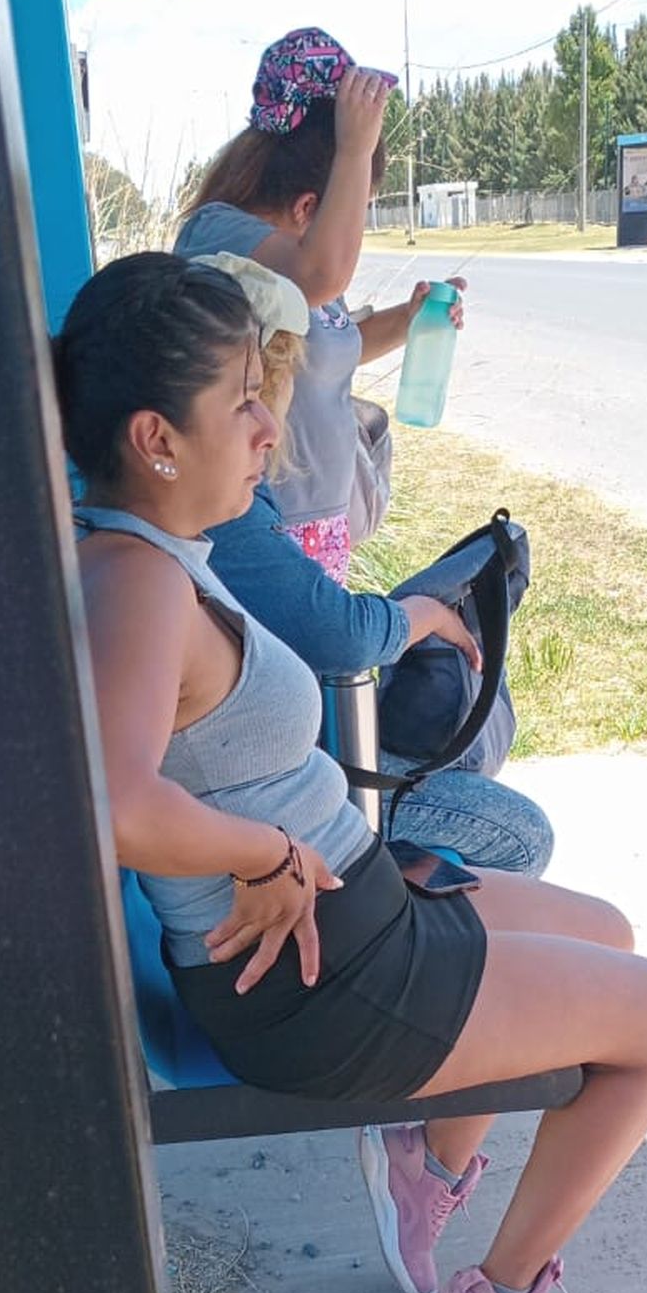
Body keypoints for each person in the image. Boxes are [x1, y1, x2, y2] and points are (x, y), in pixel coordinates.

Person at [53, 254, 647, 1293]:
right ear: (158, 439)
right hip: (323, 981)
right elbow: (114, 801)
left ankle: (427, 1166)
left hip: (351, 913)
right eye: (242, 401)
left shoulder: (161, 556)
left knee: (609, 934)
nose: (270, 428)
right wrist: (262, 854)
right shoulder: (140, 583)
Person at [193, 250, 554, 878]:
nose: (272, 431)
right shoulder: (216, 518)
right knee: (521, 835)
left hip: (305, 791)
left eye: (264, 397)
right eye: (248, 400)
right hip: (303, 819)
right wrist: (422, 613)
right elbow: (341, 637)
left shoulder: (195, 520)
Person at [175, 25, 462, 585]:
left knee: (322, 671)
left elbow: (329, 350)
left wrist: (409, 320)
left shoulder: (304, 264)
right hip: (268, 525)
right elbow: (324, 273)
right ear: (310, 205)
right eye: (353, 203)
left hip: (322, 522)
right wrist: (354, 149)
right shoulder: (220, 235)